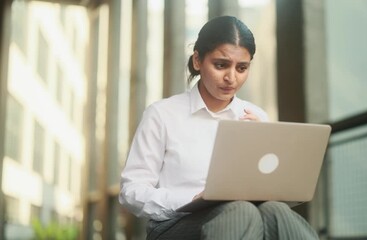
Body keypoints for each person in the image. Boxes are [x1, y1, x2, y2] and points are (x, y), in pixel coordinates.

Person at [119, 15, 319, 240]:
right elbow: (131, 191)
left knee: (276, 211)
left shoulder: (256, 117)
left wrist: (262, 144)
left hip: (245, 215)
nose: (231, 78)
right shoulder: (162, 114)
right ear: (197, 61)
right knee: (242, 212)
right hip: (175, 224)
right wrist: (190, 200)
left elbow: (269, 187)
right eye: (221, 65)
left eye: (242, 68)